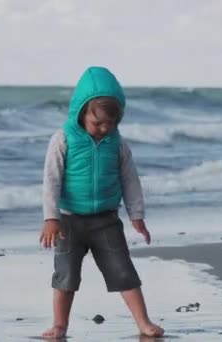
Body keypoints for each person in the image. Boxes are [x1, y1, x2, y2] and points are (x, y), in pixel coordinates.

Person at [39, 66, 164, 339]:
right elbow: (52, 179)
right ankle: (60, 325)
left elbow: (130, 180)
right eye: (98, 123)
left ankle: (143, 322)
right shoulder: (63, 139)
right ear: (82, 112)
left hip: (106, 219)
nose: (104, 129)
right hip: (68, 220)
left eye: (111, 123)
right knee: (65, 276)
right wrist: (51, 218)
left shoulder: (117, 144)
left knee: (123, 271)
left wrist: (136, 215)